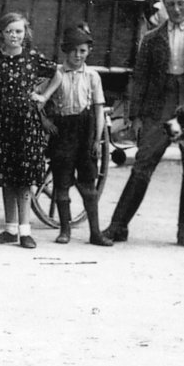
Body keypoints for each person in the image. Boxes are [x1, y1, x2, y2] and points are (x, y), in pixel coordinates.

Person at [102, 0, 184, 245]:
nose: (177, 9)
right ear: (164, 5)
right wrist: (135, 116)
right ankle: (118, 226)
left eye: (181, 3)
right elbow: (141, 78)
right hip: (160, 105)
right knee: (143, 163)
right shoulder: (151, 39)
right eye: (171, 4)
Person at [0, 12, 61, 249]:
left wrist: (43, 96)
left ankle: (25, 231)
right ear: (1, 34)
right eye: (9, 31)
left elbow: (58, 74)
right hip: (1, 124)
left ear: (25, 34)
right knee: (6, 176)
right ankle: (9, 229)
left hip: (26, 125)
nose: (14, 36)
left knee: (23, 179)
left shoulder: (32, 58)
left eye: (18, 31)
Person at [46, 24, 111, 246]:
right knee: (62, 182)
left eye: (82, 51)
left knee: (88, 184)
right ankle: (65, 230)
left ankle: (95, 233)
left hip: (85, 130)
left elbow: (98, 109)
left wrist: (96, 139)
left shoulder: (92, 76)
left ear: (88, 52)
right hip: (62, 131)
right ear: (65, 50)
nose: (78, 55)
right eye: (73, 50)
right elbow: (39, 100)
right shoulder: (56, 73)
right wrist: (46, 122)